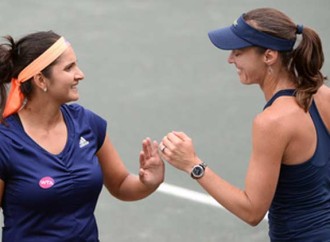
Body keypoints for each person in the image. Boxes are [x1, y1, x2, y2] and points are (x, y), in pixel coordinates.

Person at [159, 7, 330, 241]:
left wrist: (192, 164)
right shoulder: (323, 95)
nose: (230, 59)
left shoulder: (271, 122)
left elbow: (252, 211)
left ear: (269, 56)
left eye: (238, 52)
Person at [0, 31, 164, 242]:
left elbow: (121, 184)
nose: (80, 74)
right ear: (41, 79)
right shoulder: (5, 143)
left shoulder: (87, 123)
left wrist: (148, 183)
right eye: (69, 68)